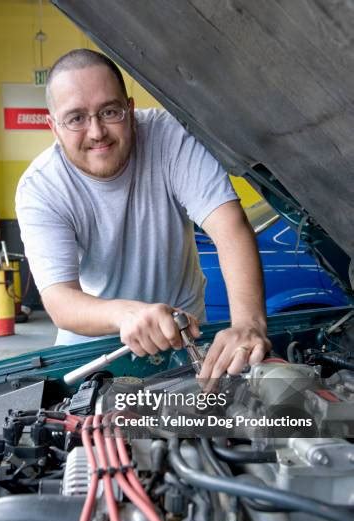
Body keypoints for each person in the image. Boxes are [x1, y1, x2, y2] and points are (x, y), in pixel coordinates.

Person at [16, 48, 271, 386]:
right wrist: (128, 314)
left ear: (131, 110)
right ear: (54, 127)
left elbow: (230, 227)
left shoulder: (171, 138)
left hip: (183, 341)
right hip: (93, 350)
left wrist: (247, 324)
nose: (96, 132)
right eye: (76, 118)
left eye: (109, 111)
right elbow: (60, 300)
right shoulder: (42, 188)